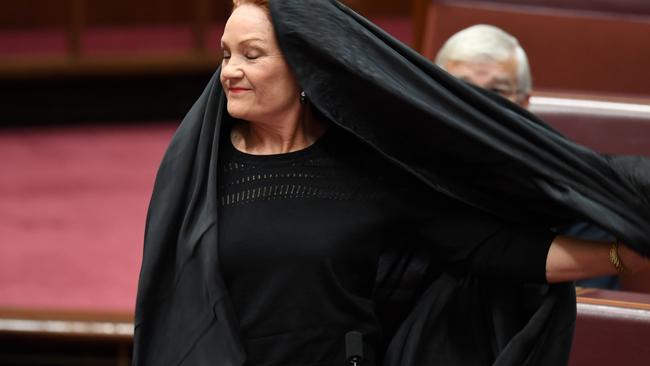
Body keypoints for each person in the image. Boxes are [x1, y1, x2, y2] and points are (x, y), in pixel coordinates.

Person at [133, 1, 650, 365]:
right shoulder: (197, 170)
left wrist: (616, 256)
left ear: (305, 69)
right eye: (226, 54)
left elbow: (491, 249)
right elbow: (172, 309)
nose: (229, 72)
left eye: (251, 54)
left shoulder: (370, 169)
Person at [434, 24, 619, 289]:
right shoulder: (404, 166)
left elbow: (589, 302)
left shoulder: (568, 182)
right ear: (432, 94)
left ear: (524, 103)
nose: (478, 103)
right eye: (461, 87)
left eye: (497, 92)